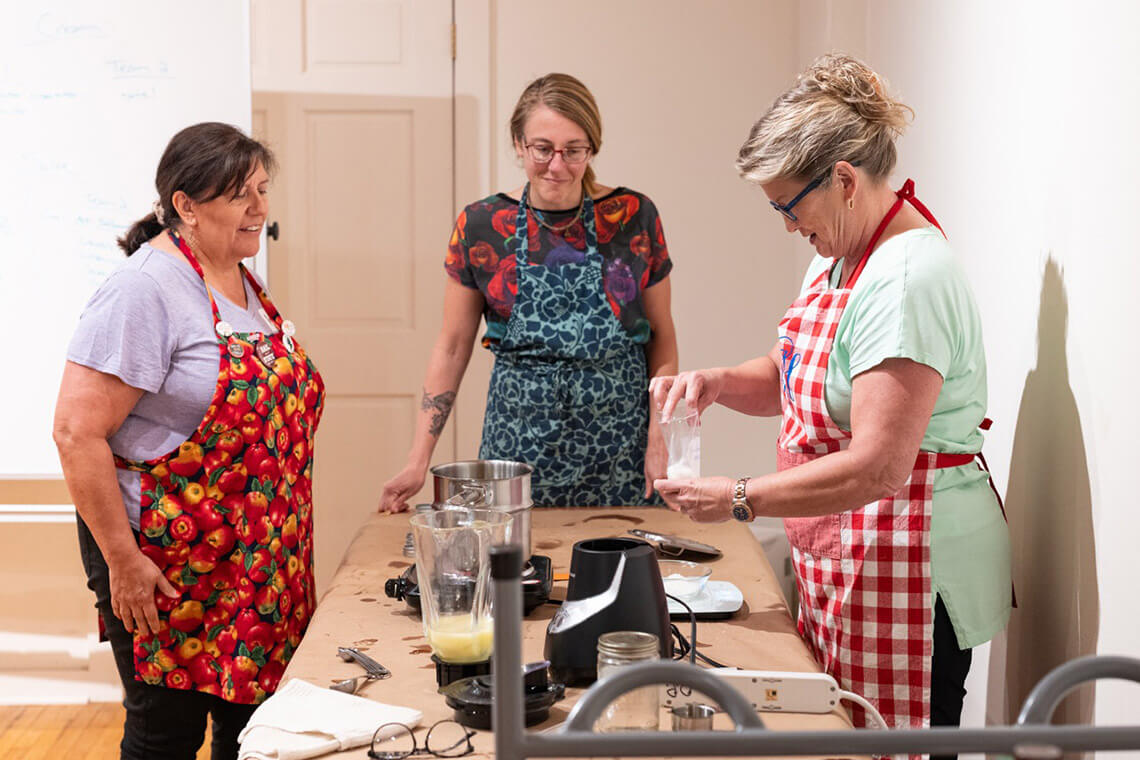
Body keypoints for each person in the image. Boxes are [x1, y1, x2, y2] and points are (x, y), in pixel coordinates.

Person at [651, 54, 1012, 749]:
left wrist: (738, 496)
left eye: (789, 206)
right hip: (857, 551)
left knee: (897, 741)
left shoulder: (905, 281)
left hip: (911, 565)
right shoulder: (842, 253)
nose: (788, 226)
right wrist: (720, 383)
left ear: (843, 180)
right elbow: (795, 375)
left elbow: (879, 464)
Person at [53, 122, 324, 759]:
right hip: (167, 560)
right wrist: (123, 562)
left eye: (262, 190)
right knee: (166, 735)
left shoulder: (242, 281)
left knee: (254, 729)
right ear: (186, 205)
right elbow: (75, 431)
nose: (259, 209)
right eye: (239, 195)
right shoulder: (144, 289)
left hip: (259, 561)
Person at [380, 73, 678, 511]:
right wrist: (417, 461)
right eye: (542, 149)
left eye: (573, 150)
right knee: (515, 555)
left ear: (592, 148)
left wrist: (660, 438)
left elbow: (662, 339)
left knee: (622, 553)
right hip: (518, 450)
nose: (557, 166)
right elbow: (453, 347)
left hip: (621, 450)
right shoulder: (481, 224)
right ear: (519, 144)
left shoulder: (633, 215)